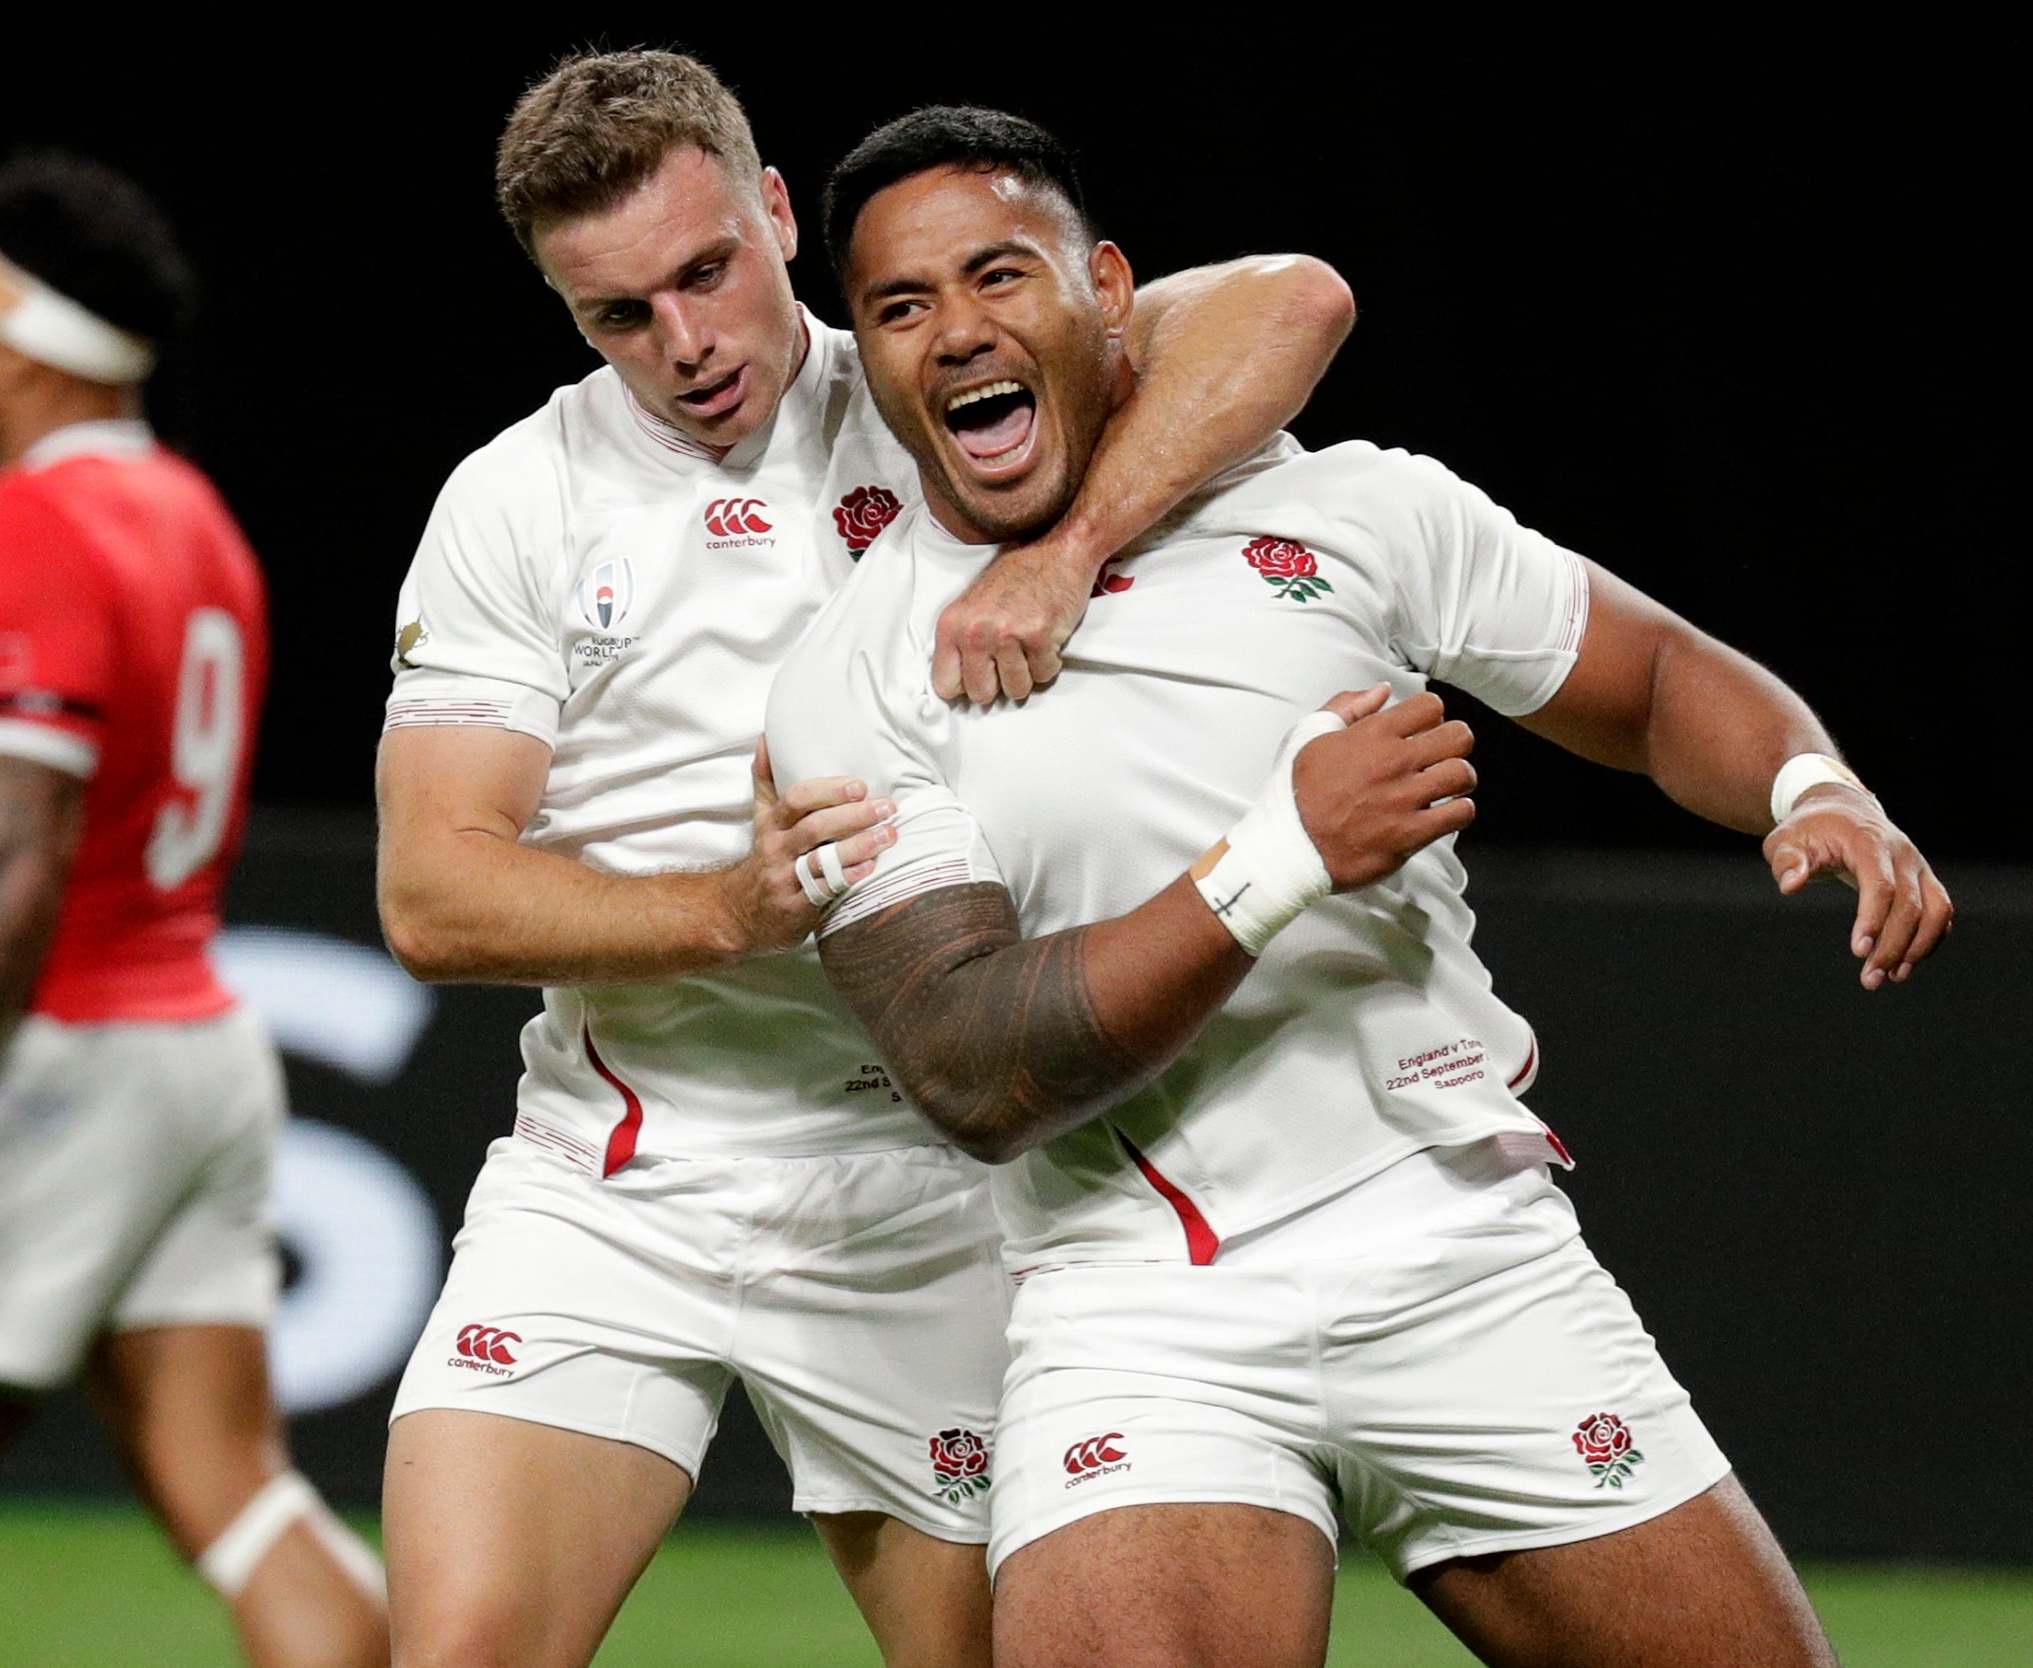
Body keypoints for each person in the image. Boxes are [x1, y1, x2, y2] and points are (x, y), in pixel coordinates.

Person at [765, 106, 1951, 1668]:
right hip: (1142, 1304)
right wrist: (1279, 858)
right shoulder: (850, 679)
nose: (958, 332)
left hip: (1454, 1238)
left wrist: (1812, 785)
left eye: (1000, 277)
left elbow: (1654, 677)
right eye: (899, 308)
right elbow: (972, 1064)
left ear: (1109, 287)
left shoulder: (1343, 507)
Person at [373, 49, 1355, 1668]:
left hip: (936, 1178)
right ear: (565, 313)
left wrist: (1068, 552)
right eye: (619, 315)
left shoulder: (937, 389)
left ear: (774, 215)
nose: (684, 346)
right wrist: (731, 906)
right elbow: (434, 890)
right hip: (623, 1177)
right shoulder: (518, 498)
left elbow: (1293, 303)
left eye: (708, 272)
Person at [0, 155, 389, 1668]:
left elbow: (13, 856)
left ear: (14, 338)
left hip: (52, 1056)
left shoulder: (29, 528)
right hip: (196, 1045)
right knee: (242, 1497)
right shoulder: (193, 518)